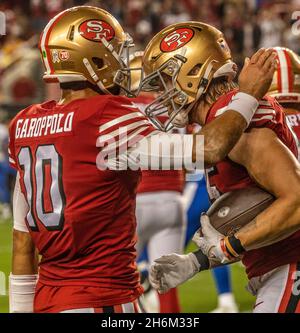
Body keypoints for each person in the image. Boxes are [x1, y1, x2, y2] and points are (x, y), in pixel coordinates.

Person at [8, 9, 276, 313]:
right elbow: (210, 147)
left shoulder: (25, 125)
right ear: (93, 60)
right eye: (115, 53)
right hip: (103, 299)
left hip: (48, 301)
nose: (122, 63)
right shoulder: (104, 115)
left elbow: (22, 243)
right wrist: (249, 94)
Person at [145, 26, 300, 312]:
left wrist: (229, 246)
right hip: (278, 268)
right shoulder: (223, 119)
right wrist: (197, 261)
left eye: (166, 81)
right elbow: (254, 211)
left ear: (192, 74)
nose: (162, 94)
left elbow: (297, 201)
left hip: (290, 268)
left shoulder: (230, 114)